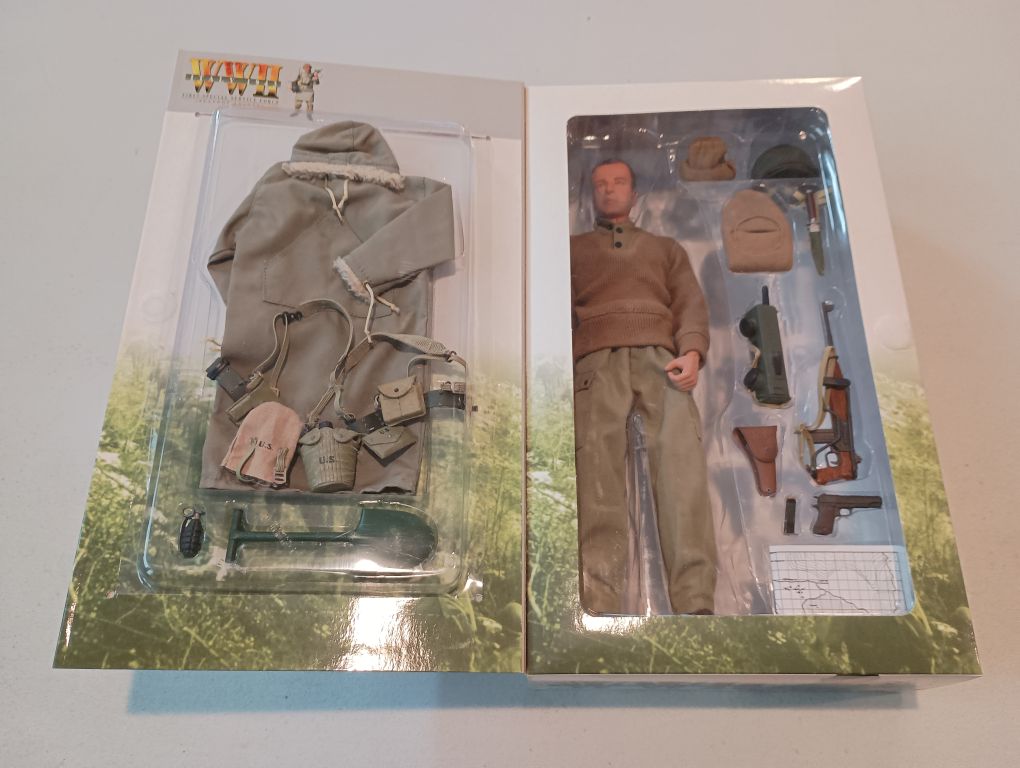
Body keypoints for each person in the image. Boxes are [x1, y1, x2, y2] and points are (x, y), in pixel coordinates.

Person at [570, 158, 717, 615]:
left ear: (635, 194)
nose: (609, 189)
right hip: (596, 363)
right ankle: (598, 600)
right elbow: (554, 305)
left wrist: (692, 351)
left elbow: (689, 302)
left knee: (682, 471)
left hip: (662, 359)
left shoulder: (665, 248)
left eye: (619, 182)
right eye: (600, 183)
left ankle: (696, 600)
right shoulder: (573, 250)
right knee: (596, 476)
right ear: (591, 194)